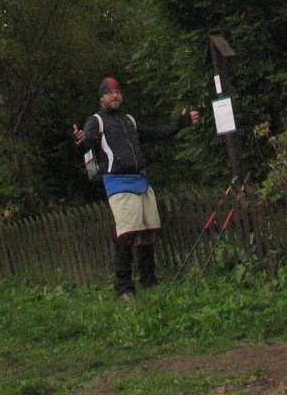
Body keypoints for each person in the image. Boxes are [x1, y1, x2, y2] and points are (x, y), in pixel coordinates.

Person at [73, 77, 200, 298]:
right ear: (102, 97)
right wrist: (82, 139)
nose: (115, 96)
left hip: (140, 180)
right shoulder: (96, 121)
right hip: (118, 183)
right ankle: (124, 287)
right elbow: (88, 141)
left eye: (118, 92)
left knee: (148, 231)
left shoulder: (129, 120)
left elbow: (156, 133)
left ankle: (149, 280)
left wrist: (181, 123)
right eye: (110, 93)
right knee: (127, 234)